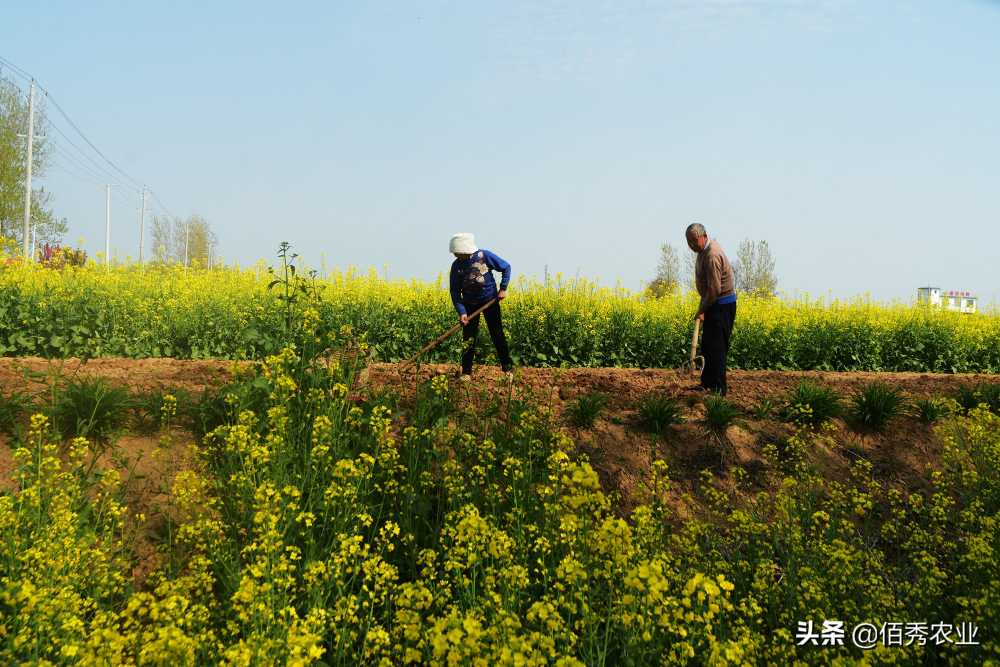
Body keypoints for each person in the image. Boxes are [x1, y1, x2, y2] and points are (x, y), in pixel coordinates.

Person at [448, 233, 514, 378]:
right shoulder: (456, 266)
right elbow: (454, 291)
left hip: (490, 301)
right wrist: (462, 312)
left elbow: (506, 267)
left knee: (497, 334)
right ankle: (466, 372)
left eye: (457, 252)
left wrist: (503, 288)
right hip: (469, 305)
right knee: (469, 339)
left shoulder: (484, 256)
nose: (455, 255)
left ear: (465, 250)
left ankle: (507, 369)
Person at [685, 223, 737, 395]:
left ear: (703, 236)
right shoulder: (702, 252)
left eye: (693, 241)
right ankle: (706, 383)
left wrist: (702, 309)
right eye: (688, 242)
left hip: (722, 305)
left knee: (717, 348)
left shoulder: (712, 255)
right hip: (713, 303)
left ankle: (719, 389)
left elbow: (714, 289)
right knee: (708, 346)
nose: (691, 245)